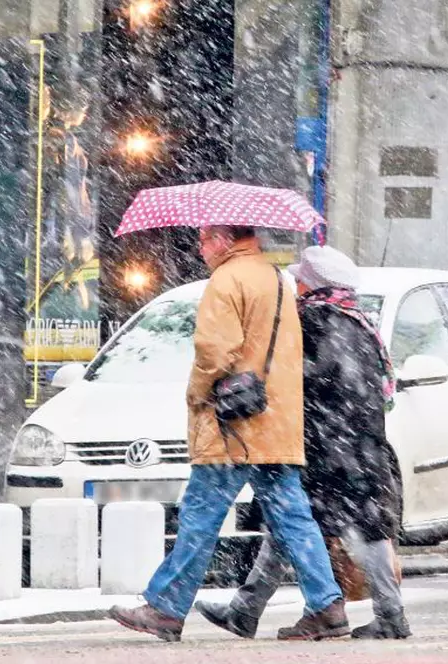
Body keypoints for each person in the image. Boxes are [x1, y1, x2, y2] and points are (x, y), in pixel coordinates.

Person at [106, 225, 348, 642]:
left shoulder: (227, 279)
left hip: (233, 424)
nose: (200, 249)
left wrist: (197, 393)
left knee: (200, 515)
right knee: (293, 517)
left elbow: (215, 351)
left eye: (203, 240)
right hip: (274, 419)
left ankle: (165, 607)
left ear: (223, 238)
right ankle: (327, 605)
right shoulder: (278, 279)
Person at [194, 245, 410, 640]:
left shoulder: (311, 321)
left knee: (296, 525)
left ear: (312, 283)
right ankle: (250, 609)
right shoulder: (360, 323)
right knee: (355, 528)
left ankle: (290, 612)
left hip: (325, 446)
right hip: (362, 445)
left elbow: (300, 379)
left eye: (300, 279)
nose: (295, 285)